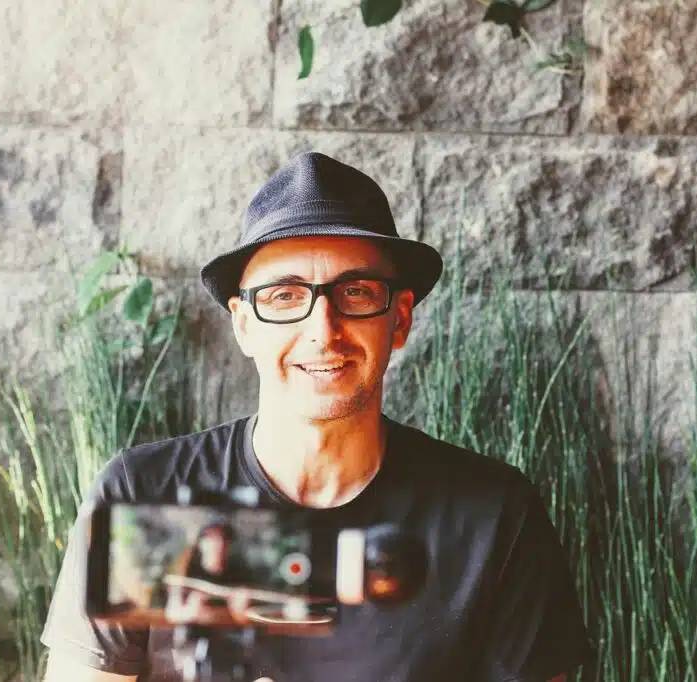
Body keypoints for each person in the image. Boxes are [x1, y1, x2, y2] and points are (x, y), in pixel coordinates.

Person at [40, 152, 594, 682]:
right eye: (284, 296)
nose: (322, 329)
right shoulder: (145, 498)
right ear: (244, 324)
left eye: (355, 292)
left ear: (398, 319)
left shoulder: (491, 517)